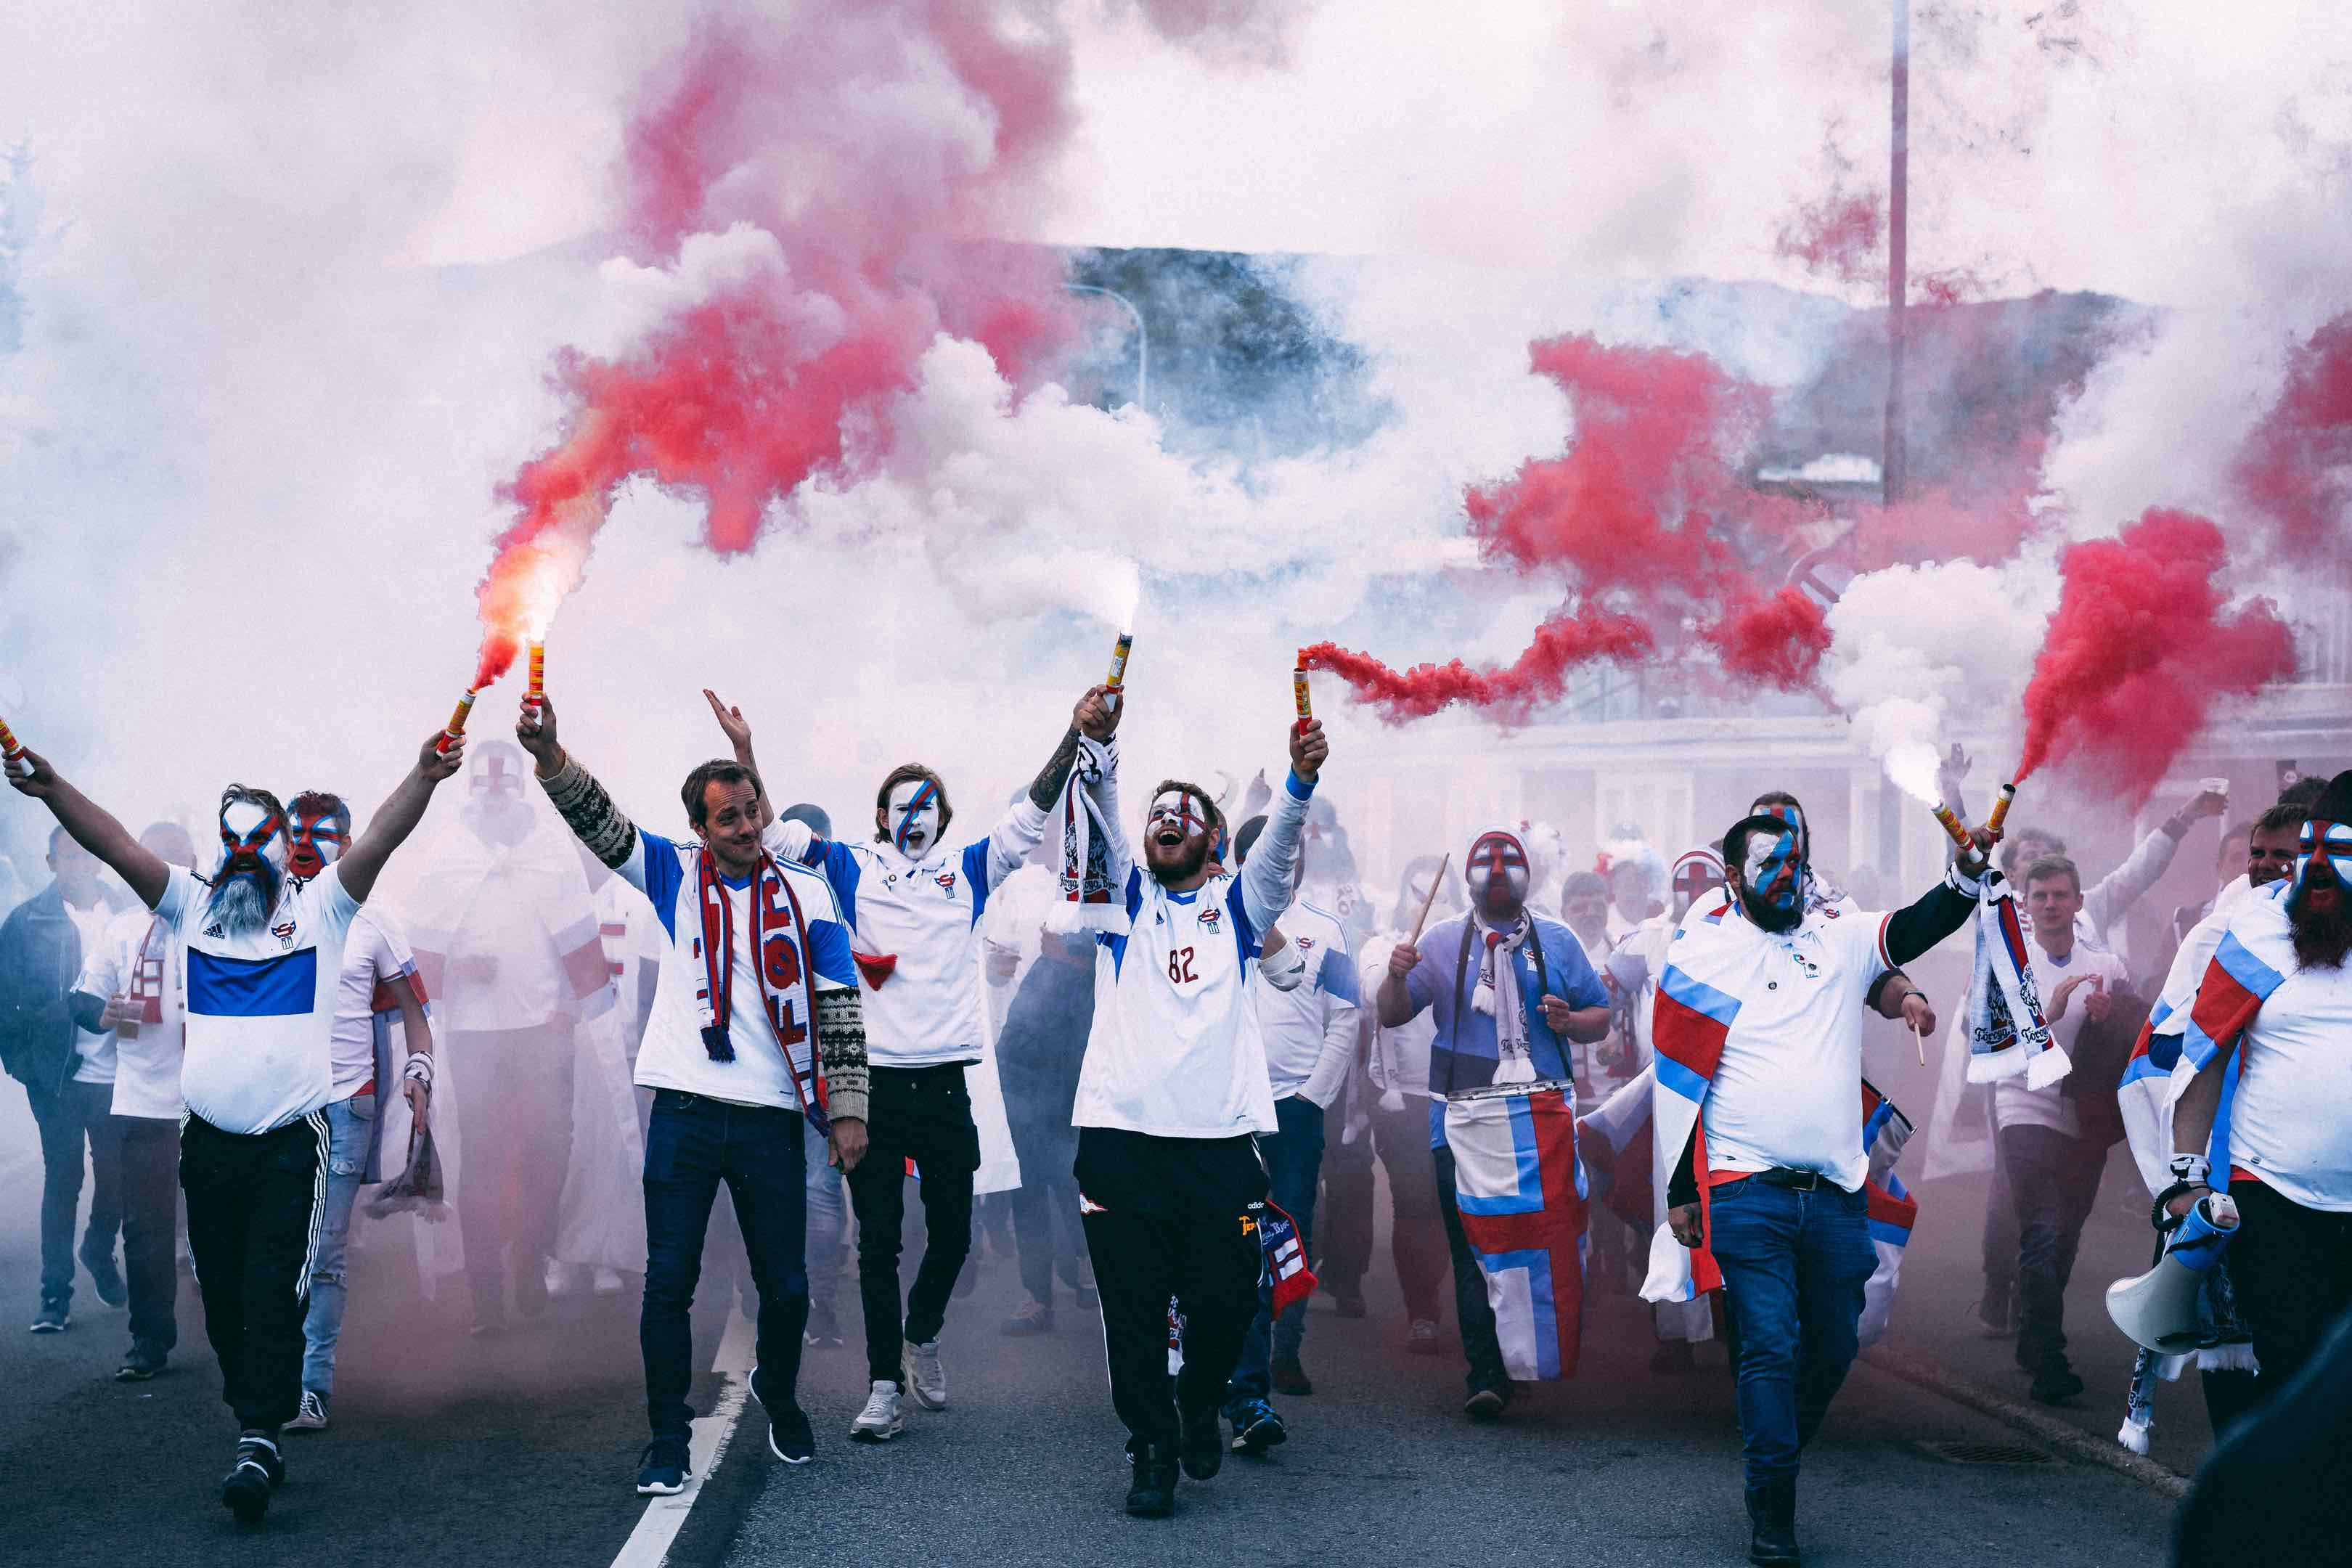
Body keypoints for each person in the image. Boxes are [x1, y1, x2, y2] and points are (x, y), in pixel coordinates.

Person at [7, 729, 459, 1522]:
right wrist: (51, 791)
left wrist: (423, 776)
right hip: (208, 1142)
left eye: (261, 839)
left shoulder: (325, 907)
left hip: (295, 1142)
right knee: (218, 1299)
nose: (247, 852)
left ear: (285, 849)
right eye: (234, 840)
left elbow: (383, 833)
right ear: (222, 851)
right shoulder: (190, 905)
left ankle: (260, 1437)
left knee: (275, 1288)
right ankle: (255, 1414)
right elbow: (110, 841)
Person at [722, 687, 1098, 1441]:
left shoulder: (974, 869)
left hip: (946, 1089)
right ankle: (884, 1386)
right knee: (880, 1243)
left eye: (926, 803)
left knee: (954, 1239)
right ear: (883, 818)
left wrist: (1077, 731)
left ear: (943, 818)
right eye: (901, 803)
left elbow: (1038, 801)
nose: (914, 813)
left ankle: (922, 1336)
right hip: (876, 1091)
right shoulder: (854, 869)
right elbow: (769, 835)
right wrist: (745, 755)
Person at [515, 695, 869, 1493]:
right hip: (681, 1106)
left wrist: (848, 1111)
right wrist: (549, 755)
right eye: (728, 820)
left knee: (787, 1283)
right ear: (700, 829)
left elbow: (840, 1002)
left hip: (772, 1115)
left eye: (750, 814)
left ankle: (774, 1387)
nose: (745, 829)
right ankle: (667, 1438)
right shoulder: (672, 873)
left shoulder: (808, 892)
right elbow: (600, 821)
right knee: (669, 1281)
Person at [1651, 812, 1985, 1566]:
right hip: (1746, 1191)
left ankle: (1778, 1442)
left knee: (1833, 1342)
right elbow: (1678, 1085)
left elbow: (1921, 924)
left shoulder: (1837, 933)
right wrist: (1682, 1188)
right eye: (1768, 867)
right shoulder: (1702, 953)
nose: (1786, 879)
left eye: (1794, 865)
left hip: (1835, 1194)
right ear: (1732, 879)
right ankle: (1773, 1507)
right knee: (1767, 1344)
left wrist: (1965, 874)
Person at [1070, 699, 1329, 1518]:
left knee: (1226, 1303)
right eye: (1158, 815)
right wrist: (1100, 745)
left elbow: (1278, 853)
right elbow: (1103, 818)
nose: (1166, 821)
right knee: (1136, 1315)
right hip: (1122, 1147)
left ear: (1213, 840)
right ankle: (1151, 1452)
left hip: (1219, 1152)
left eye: (1185, 815)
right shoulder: (1122, 907)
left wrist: (1299, 781)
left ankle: (1198, 1403)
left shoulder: (1241, 912)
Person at [1376, 825, 1612, 1421]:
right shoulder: (1440, 940)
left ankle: (1522, 1360)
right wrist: (1397, 974)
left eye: (1512, 864)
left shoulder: (1557, 941)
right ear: (1468, 880)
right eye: (1487, 863)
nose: (1500, 872)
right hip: (1460, 1116)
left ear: (1531, 876)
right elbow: (1393, 1013)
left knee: (1537, 1242)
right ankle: (1486, 1372)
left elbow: (1601, 1017)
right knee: (1471, 1248)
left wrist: (1569, 1020)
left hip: (1539, 1118)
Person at [2158, 771, 2352, 1410]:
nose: (2318, 869)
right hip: (2272, 1196)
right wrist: (2186, 1176)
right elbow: (2204, 1054)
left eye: (2341, 852)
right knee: (2291, 1374)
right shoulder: (2259, 928)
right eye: (2312, 850)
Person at [406, 741, 614, 1336]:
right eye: (485, 782)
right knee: (483, 1159)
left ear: (521, 786)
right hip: (474, 1034)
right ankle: (486, 1297)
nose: (495, 792)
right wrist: (459, 969)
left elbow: (579, 940)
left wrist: (567, 1013)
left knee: (551, 1149)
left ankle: (531, 1250)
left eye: (505, 781)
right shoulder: (447, 855)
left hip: (543, 1029)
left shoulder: (552, 851)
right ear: (471, 787)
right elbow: (421, 949)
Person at [2120, 802, 2306, 1440]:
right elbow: (2167, 1050)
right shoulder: (2214, 936)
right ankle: (2244, 1483)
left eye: (2281, 854)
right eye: (2257, 853)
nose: (2265, 866)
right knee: (2230, 1344)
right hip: (2230, 1167)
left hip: (2313, 1175)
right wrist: (2184, 1171)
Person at [269, 791, 436, 1433]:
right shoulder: (255, 910)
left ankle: (311, 1387)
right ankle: (271, 1373)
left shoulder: (373, 917)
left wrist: (420, 1073)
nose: (309, 844)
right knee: (274, 1248)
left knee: (325, 1254)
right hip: (274, 1107)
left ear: (349, 841)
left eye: (326, 833)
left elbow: (416, 1017)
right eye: (297, 832)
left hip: (347, 1103)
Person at [1221, 811, 1357, 1449]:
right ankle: (1233, 1369)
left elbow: (1346, 1020)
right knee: (1236, 1239)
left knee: (1290, 1231)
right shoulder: (1217, 917)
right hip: (1226, 1113)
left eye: (1290, 853)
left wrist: (1310, 1098)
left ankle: (1286, 1348)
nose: (1283, 864)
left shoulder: (1327, 931)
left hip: (1295, 1110)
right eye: (1267, 855)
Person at [1996, 854, 2133, 1405]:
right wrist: (2046, 1015)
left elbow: (2136, 1037)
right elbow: (1986, 1046)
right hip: (2023, 1107)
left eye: (2060, 895)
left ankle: (2033, 1335)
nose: (2050, 905)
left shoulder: (2107, 965)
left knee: (2067, 1235)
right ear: (2025, 906)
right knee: (2044, 1230)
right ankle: (2049, 1357)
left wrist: (2109, 1017)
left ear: (2078, 903)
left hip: (2085, 1117)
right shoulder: (2008, 965)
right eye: (2039, 897)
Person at [68, 821, 198, 1379]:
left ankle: (243, 1336)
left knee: (221, 1226)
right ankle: (149, 1342)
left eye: (175, 864)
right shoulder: (122, 931)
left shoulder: (219, 924)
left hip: (214, 1103)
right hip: (143, 1103)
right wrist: (124, 1012)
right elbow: (82, 1004)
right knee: (145, 1229)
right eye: (153, 861)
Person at [0, 825, 127, 1331]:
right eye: (66, 857)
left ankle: (98, 1247)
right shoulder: (26, 921)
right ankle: (55, 1295)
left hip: (121, 1069)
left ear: (99, 859)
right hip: (57, 1074)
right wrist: (26, 1064)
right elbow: (6, 1005)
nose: (78, 864)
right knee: (63, 1177)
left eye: (85, 854)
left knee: (118, 1174)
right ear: (51, 863)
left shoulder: (130, 914)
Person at [1351, 857, 1460, 1358]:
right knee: (1415, 1200)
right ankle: (1422, 1311)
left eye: (1437, 896)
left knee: (1456, 1203)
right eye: (1417, 895)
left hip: (1463, 1090)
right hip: (1402, 1095)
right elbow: (1377, 999)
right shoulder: (1381, 946)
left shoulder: (1467, 944)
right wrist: (1398, 969)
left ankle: (1472, 1310)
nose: (1428, 904)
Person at [995, 925, 1096, 1335]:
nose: (1042, 937)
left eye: (1052, 935)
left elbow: (1083, 1042)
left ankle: (1093, 1273)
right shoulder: (1042, 971)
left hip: (1073, 1111)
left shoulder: (1094, 980)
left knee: (1081, 1196)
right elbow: (1015, 1035)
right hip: (1027, 1109)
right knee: (1030, 1203)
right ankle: (1037, 1297)